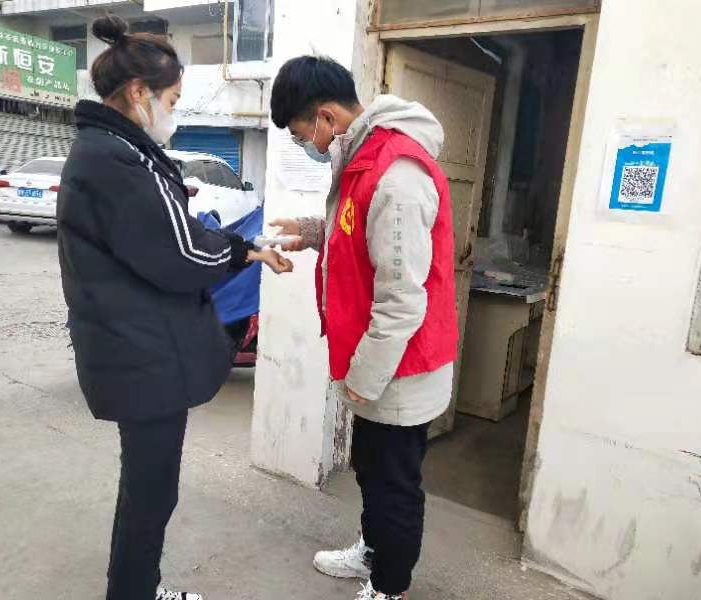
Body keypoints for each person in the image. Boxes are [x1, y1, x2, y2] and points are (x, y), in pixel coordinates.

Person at [57, 15, 292, 600]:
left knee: (147, 490)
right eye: (172, 100)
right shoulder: (117, 159)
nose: (174, 111)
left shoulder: (113, 150)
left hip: (133, 349)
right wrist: (245, 252)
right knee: (150, 494)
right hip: (141, 358)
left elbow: (173, 233)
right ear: (139, 93)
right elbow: (183, 252)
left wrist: (241, 246)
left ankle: (137, 589)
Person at [269, 56, 458, 600]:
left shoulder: (397, 173)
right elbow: (362, 232)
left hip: (401, 365)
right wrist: (313, 231)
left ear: (327, 117)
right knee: (371, 469)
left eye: (303, 133)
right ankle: (374, 553)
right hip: (375, 362)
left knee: (395, 483)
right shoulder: (364, 158)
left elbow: (402, 300)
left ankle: (390, 587)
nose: (307, 144)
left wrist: (363, 379)